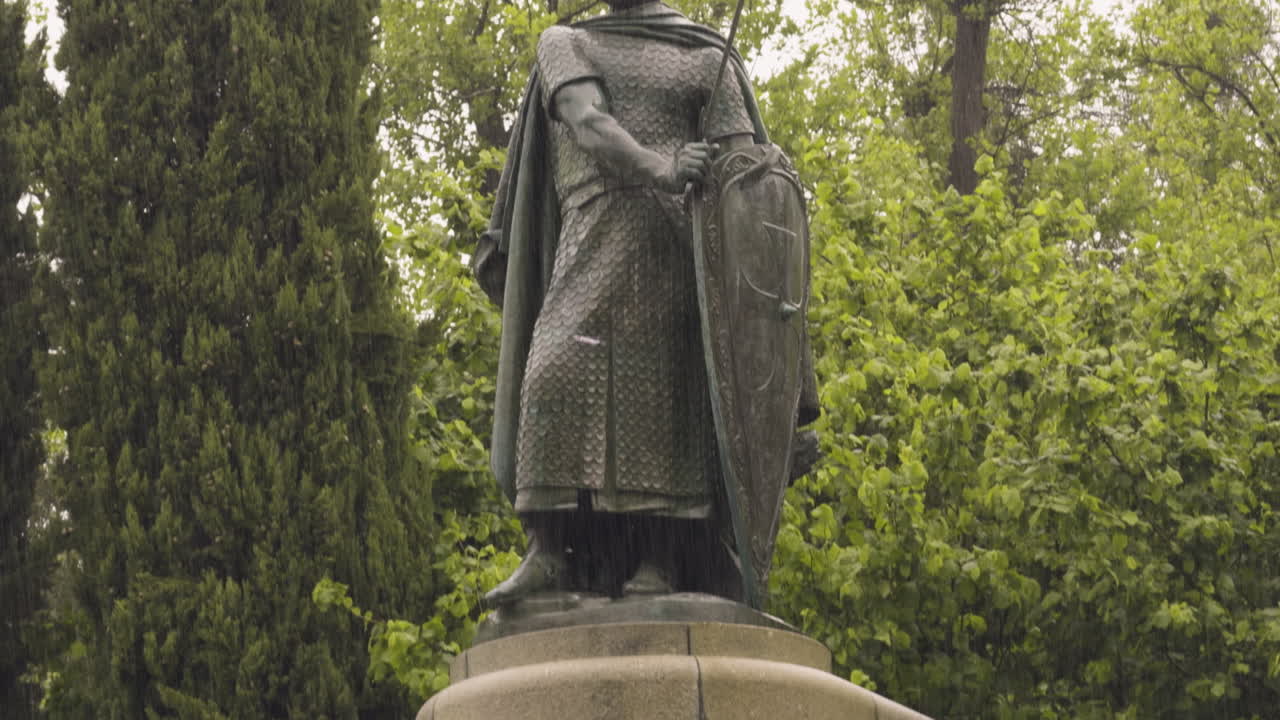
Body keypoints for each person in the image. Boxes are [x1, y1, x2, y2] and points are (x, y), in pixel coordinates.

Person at [473, 0, 816, 606]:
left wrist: (720, 166)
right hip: (591, 237)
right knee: (552, 373)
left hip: (675, 250)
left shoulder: (705, 56)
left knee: (667, 399)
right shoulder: (566, 43)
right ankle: (550, 549)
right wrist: (663, 165)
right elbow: (587, 122)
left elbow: (745, 176)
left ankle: (663, 558)